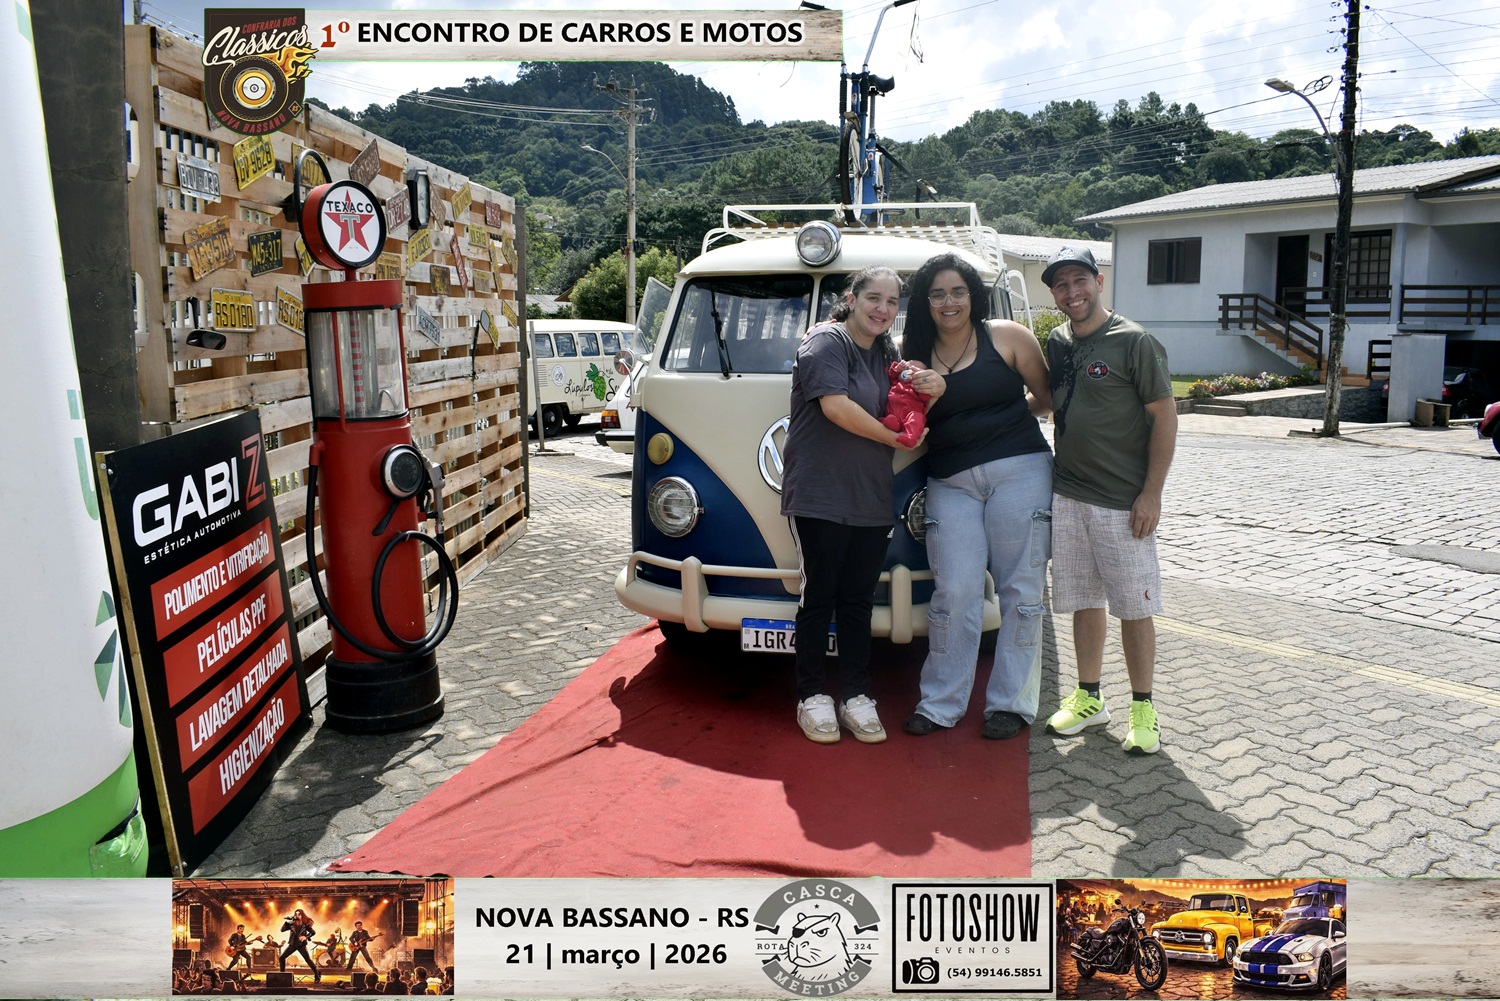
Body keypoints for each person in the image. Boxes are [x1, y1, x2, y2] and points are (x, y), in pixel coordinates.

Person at [780, 265, 938, 744]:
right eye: (873, 298)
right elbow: (836, 407)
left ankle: (856, 695)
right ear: (851, 299)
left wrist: (933, 387)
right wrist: (895, 438)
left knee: (856, 600)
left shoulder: (887, 352)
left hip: (870, 497)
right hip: (820, 495)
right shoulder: (827, 342)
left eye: (891, 302)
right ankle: (811, 695)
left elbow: (904, 396)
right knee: (818, 597)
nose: (882, 309)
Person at [899, 253, 1053, 739]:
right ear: (925, 302)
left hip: (1020, 472)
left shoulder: (1008, 336)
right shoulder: (911, 354)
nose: (949, 302)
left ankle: (1011, 704)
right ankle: (940, 704)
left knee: (1021, 590)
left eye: (958, 291)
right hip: (950, 482)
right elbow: (904, 420)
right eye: (938, 294)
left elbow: (1047, 398)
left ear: (973, 295)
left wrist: (1004, 418)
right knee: (955, 592)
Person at [1039, 246, 1176, 754]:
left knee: (1135, 606)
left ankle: (1144, 708)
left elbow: (1165, 417)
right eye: (1061, 285)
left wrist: (1151, 494)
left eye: (1080, 280)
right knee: (1083, 600)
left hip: (1123, 501)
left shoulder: (1134, 341)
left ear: (1099, 282)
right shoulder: (1057, 341)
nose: (1071, 292)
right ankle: (1090, 698)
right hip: (1069, 494)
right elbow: (1050, 402)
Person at [279, 907, 320, 983]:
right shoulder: (291, 924)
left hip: (301, 945)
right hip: (292, 944)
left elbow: (313, 932)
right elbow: (282, 930)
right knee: (281, 958)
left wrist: (306, 937)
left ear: (302, 916)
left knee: (307, 959)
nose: (297, 916)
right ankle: (282, 976)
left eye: (299, 914)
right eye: (296, 914)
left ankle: (317, 974)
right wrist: (287, 922)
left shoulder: (305, 924)